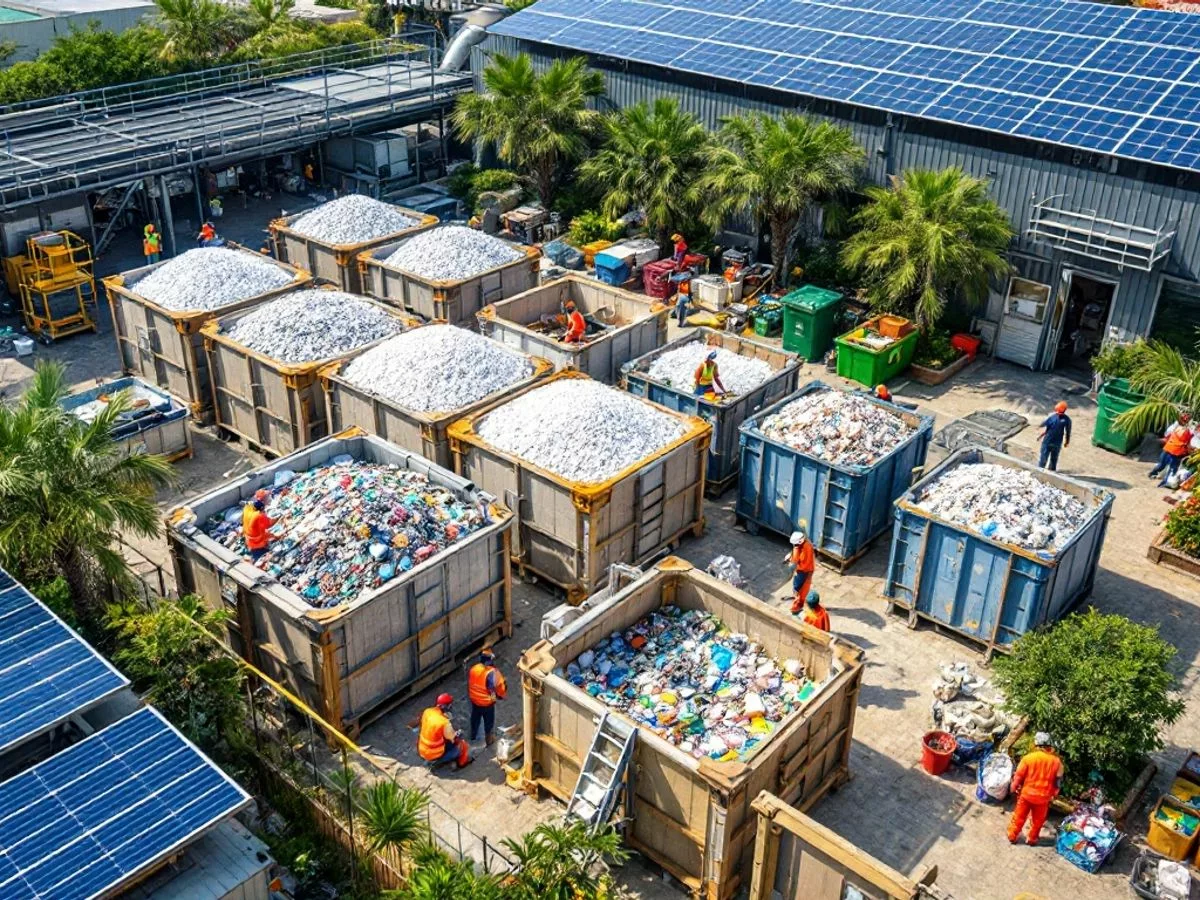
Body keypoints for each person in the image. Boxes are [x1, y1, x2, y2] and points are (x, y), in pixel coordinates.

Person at [1007, 732, 1063, 846]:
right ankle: (1032, 839)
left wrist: (1012, 788)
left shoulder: (1028, 758)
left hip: (1027, 795)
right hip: (1043, 798)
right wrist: (1053, 794)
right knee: (1038, 821)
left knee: (1019, 816)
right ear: (1049, 745)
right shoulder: (1057, 762)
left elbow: (1018, 777)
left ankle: (1012, 836)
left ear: (1036, 744)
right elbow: (1058, 782)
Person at [418, 693, 471, 770]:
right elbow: (452, 738)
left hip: (422, 748)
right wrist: (458, 733)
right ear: (446, 706)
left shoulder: (427, 711)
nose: (451, 706)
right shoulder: (444, 723)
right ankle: (460, 763)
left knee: (445, 738)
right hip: (434, 753)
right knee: (463, 745)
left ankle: (436, 759)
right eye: (450, 705)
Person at [467, 646, 507, 746]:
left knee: (475, 718)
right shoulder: (491, 673)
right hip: (487, 703)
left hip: (475, 700)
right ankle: (489, 740)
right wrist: (496, 698)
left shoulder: (474, 669)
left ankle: (473, 735)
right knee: (488, 722)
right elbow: (495, 689)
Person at [1149, 413, 1194, 486]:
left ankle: (1159, 477)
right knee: (1169, 467)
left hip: (1172, 450)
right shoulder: (1186, 430)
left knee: (1165, 466)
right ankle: (1163, 480)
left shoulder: (1177, 427)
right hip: (1174, 450)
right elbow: (1188, 442)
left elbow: (1166, 434)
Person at [784, 530, 815, 615]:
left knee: (799, 588)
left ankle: (797, 606)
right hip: (802, 570)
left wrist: (792, 564)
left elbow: (803, 565)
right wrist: (790, 556)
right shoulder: (802, 544)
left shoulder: (806, 549)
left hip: (804, 572)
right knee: (797, 585)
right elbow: (796, 551)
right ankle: (796, 596)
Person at [1036, 401, 1072, 471]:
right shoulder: (1052, 418)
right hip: (1047, 442)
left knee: (1053, 461)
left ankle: (1051, 473)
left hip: (1057, 443)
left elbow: (1068, 432)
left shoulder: (1067, 420)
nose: (1059, 413)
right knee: (1043, 459)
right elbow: (1047, 428)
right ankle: (1039, 471)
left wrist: (1067, 442)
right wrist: (1040, 431)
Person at [242, 489, 275, 561]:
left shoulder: (248, 508)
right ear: (262, 501)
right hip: (258, 544)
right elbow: (269, 524)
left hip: (249, 539)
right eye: (267, 497)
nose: (270, 499)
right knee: (264, 562)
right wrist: (279, 518)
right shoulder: (260, 516)